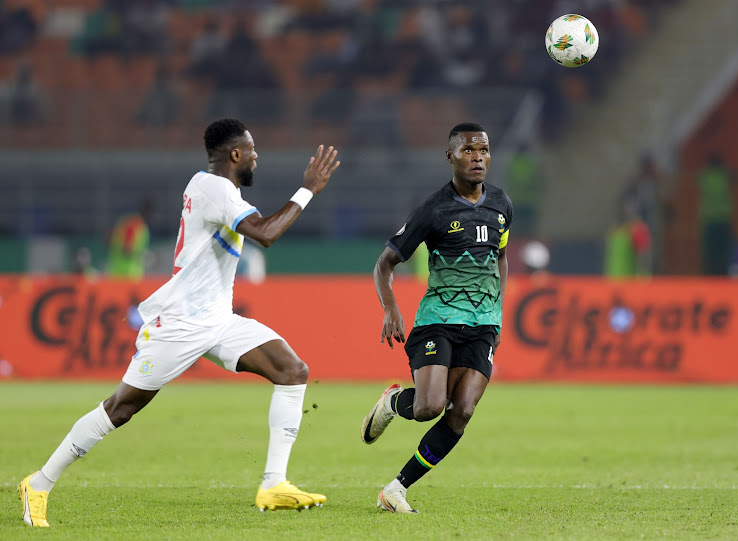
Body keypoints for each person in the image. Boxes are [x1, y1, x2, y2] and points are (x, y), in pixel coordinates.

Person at [18, 118, 340, 527]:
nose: (258, 156)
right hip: (181, 324)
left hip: (218, 320)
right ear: (235, 154)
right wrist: (309, 188)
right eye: (253, 150)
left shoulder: (212, 187)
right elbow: (267, 233)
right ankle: (40, 483)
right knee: (121, 408)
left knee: (292, 371)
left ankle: (274, 483)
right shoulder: (215, 188)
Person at [361, 122, 512, 513]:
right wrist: (391, 307)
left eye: (484, 150)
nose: (478, 157)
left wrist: (498, 307)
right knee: (430, 406)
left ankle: (395, 489)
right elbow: (385, 263)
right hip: (438, 320)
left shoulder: (501, 206)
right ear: (451, 157)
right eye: (468, 150)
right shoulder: (433, 210)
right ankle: (395, 403)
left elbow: (500, 255)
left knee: (461, 410)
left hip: (483, 325)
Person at [107, 198, 153, 279]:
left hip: (126, 273)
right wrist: (144, 256)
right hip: (125, 275)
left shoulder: (134, 223)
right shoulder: (134, 225)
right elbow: (127, 249)